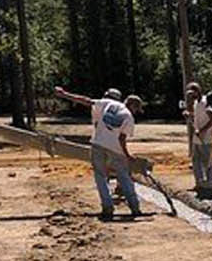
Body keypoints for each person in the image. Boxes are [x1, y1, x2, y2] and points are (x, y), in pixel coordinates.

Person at [54, 86, 147, 220]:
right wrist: (127, 155)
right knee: (124, 177)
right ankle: (135, 207)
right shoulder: (129, 117)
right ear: (131, 105)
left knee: (100, 177)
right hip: (115, 149)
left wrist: (64, 94)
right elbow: (121, 138)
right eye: (136, 109)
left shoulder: (108, 103)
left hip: (98, 145)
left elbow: (86, 101)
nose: (135, 112)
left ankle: (107, 208)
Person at [180, 82, 212, 197]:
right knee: (196, 161)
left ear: (197, 91)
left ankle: (211, 184)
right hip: (196, 138)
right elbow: (197, 116)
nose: (191, 96)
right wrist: (189, 115)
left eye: (192, 93)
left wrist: (202, 130)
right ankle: (199, 183)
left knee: (207, 161)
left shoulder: (206, 101)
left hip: (206, 138)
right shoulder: (196, 103)